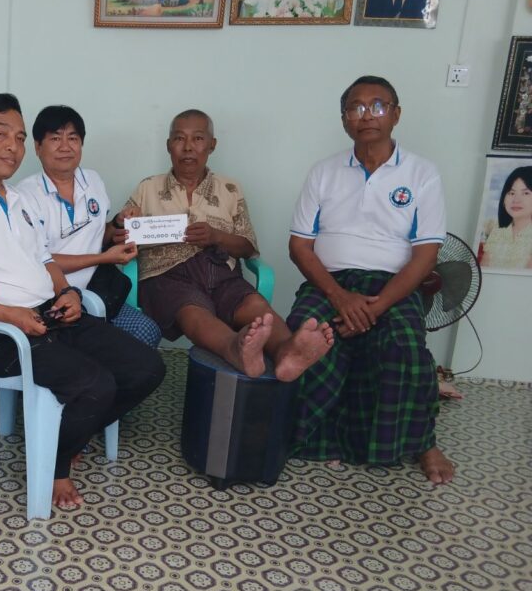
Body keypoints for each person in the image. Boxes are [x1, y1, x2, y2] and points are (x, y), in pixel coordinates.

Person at [0, 93, 165, 509]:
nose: (13, 146)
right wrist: (9, 315)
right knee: (96, 384)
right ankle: (55, 467)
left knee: (147, 367)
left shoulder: (17, 200)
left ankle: (69, 438)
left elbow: (45, 259)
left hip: (51, 313)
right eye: (0, 135)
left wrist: (67, 292)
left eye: (18, 137)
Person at [287, 75, 454, 485]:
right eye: (356, 107)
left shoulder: (422, 173)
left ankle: (423, 442)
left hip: (392, 286)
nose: (367, 115)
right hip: (330, 282)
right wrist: (340, 297)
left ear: (396, 114)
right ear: (344, 118)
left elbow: (426, 255)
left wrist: (377, 306)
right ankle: (308, 436)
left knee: (404, 345)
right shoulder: (323, 172)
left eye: (378, 106)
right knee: (304, 333)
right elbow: (300, 246)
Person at [115, 109, 333, 381]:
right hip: (167, 274)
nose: (188, 147)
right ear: (169, 145)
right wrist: (122, 224)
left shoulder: (230, 189)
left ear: (212, 145)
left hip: (220, 271)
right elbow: (121, 234)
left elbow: (248, 248)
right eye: (179, 139)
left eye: (198, 139)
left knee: (253, 304)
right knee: (193, 311)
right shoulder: (147, 187)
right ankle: (235, 348)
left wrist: (216, 237)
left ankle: (286, 352)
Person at [16, 105, 162, 348]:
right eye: (55, 139)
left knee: (147, 332)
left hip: (99, 289)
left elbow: (96, 235)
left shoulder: (93, 181)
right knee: (102, 353)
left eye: (73, 138)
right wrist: (104, 258)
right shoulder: (25, 195)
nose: (65, 147)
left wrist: (117, 223)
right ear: (38, 147)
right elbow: (39, 260)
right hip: (53, 300)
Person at [481, 167, 532, 270]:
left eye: (526, 193)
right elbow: (483, 270)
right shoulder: (497, 231)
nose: (516, 200)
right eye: (512, 193)